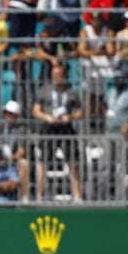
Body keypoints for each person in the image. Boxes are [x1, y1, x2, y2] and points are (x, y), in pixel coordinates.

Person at [31, 65, 84, 201]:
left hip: (66, 129)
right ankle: (39, 195)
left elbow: (80, 112)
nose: (56, 78)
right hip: (48, 129)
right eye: (54, 75)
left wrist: (70, 117)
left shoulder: (72, 92)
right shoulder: (44, 91)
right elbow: (36, 111)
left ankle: (77, 195)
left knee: (73, 161)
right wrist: (46, 117)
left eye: (59, 75)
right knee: (43, 161)